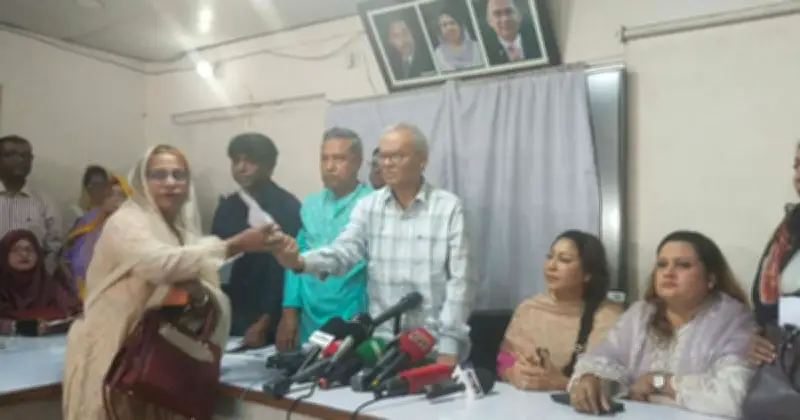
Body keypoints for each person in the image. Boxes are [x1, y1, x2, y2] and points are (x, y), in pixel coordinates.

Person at [62, 145, 272, 419]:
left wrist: (199, 293)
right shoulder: (126, 221)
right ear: (142, 181)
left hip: (159, 359)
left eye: (178, 175)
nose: (170, 182)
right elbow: (161, 264)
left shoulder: (181, 231)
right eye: (159, 175)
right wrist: (233, 246)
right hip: (115, 352)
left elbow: (195, 270)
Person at [268, 123, 475, 366]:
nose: (387, 164)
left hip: (435, 345)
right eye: (383, 157)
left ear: (422, 159)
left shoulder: (448, 207)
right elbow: (345, 252)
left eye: (397, 156)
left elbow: (461, 281)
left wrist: (449, 345)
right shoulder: (369, 206)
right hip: (382, 344)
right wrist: (300, 262)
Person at [569, 231, 755, 419]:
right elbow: (605, 357)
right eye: (662, 264)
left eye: (683, 265)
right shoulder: (641, 314)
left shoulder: (733, 320)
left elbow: (733, 397)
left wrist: (660, 382)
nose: (668, 273)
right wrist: (591, 378)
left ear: (710, 279)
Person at [276, 128, 372, 351]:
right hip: (309, 315)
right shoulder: (310, 205)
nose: (329, 167)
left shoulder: (371, 203)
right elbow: (296, 257)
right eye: (324, 159)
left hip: (352, 311)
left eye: (339, 159)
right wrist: (289, 311)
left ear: (357, 163)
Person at [497, 230, 622, 391]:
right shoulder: (529, 308)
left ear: (587, 274)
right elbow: (504, 358)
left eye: (564, 260)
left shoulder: (607, 315)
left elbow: (612, 384)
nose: (551, 266)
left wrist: (561, 383)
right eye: (549, 257)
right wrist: (511, 372)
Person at [211, 133, 301, 347]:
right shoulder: (227, 207)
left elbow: (286, 270)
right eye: (236, 161)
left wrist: (266, 320)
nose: (241, 168)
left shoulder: (287, 206)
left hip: (270, 314)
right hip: (229, 310)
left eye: (249, 161)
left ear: (269, 165)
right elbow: (215, 260)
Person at [748, 141, 800, 365]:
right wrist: (759, 335)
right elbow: (764, 304)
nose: (798, 176)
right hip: (783, 364)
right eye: (797, 165)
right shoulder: (790, 228)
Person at [62, 173, 132, 299]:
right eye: (110, 195)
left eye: (121, 195)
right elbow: (68, 261)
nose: (115, 199)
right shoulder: (84, 226)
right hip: (81, 297)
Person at [0, 230, 81, 336]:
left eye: (30, 250)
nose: (24, 254)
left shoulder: (49, 285)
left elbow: (74, 311)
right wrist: (18, 327)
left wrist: (59, 323)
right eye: (16, 250)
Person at [0, 135, 61, 273]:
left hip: (32, 282)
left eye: (26, 156)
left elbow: (54, 248)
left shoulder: (45, 203)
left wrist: (41, 280)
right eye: (12, 155)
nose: (21, 160)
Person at [480, 0, 542, 65]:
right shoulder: (484, 53)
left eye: (509, 11)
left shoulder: (539, 40)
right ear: (489, 21)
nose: (505, 19)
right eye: (498, 14)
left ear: (519, 16)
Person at [431, 7, 485, 71]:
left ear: (460, 25)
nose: (449, 28)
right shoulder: (438, 55)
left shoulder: (477, 47)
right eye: (444, 25)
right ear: (440, 30)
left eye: (452, 23)